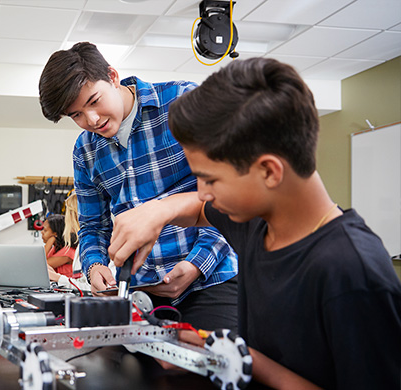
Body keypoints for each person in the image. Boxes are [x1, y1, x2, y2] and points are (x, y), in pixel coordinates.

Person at [108, 57, 401, 389]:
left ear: (269, 171)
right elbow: (197, 210)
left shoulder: (351, 270)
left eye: (209, 180)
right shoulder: (256, 223)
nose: (202, 194)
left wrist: (244, 357)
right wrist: (156, 212)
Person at [38, 42, 238, 331]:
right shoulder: (85, 151)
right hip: (139, 293)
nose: (91, 120)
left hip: (211, 281)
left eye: (94, 101)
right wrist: (95, 267)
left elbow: (231, 197)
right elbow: (93, 226)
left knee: (216, 367)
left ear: (113, 76)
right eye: (76, 115)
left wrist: (197, 264)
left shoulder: (183, 101)